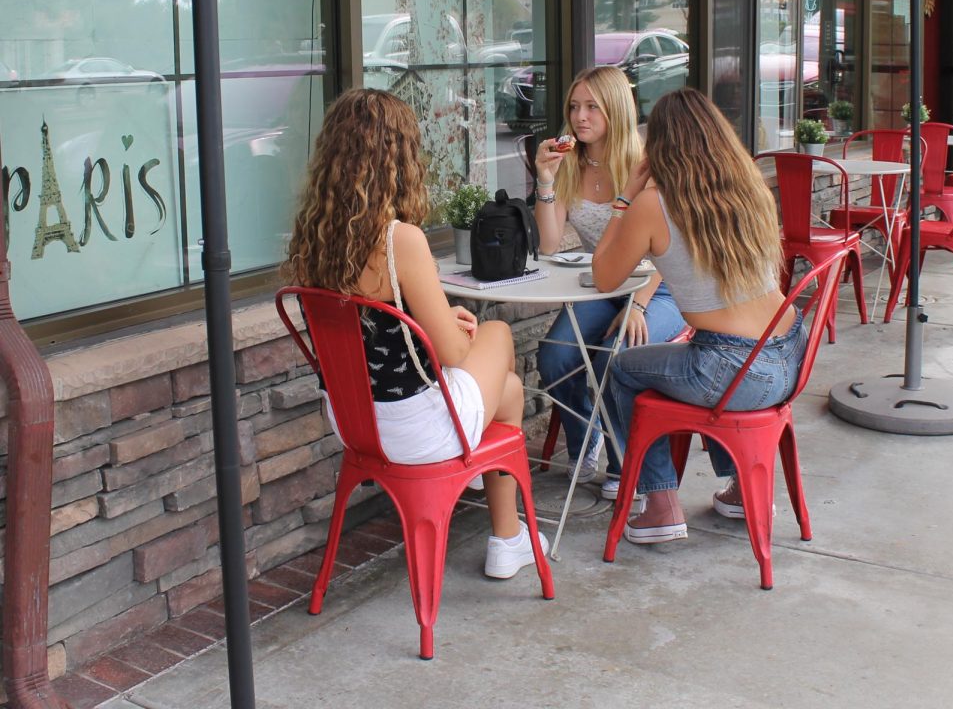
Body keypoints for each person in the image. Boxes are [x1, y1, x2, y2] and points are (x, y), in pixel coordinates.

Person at [285, 88, 545, 579]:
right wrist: (454, 331)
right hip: (415, 429)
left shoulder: (312, 239)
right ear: (399, 159)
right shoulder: (399, 239)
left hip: (354, 422)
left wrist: (443, 325)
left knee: (507, 390)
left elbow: (383, 330)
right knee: (496, 333)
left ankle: (507, 540)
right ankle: (498, 519)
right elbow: (450, 354)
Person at [593, 87, 807, 545]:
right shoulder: (748, 186)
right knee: (694, 355)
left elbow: (604, 276)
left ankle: (660, 503)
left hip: (734, 371)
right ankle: (740, 489)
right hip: (790, 356)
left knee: (623, 368)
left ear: (660, 149)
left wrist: (625, 197)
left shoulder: (655, 203)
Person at [533, 66, 685, 498]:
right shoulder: (569, 163)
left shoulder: (645, 164)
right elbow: (548, 244)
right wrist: (544, 179)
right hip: (603, 283)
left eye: (592, 107)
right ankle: (586, 440)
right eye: (574, 106)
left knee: (615, 359)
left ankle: (625, 465)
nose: (580, 117)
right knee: (556, 357)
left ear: (615, 110)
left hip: (658, 285)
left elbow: (665, 250)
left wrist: (636, 305)